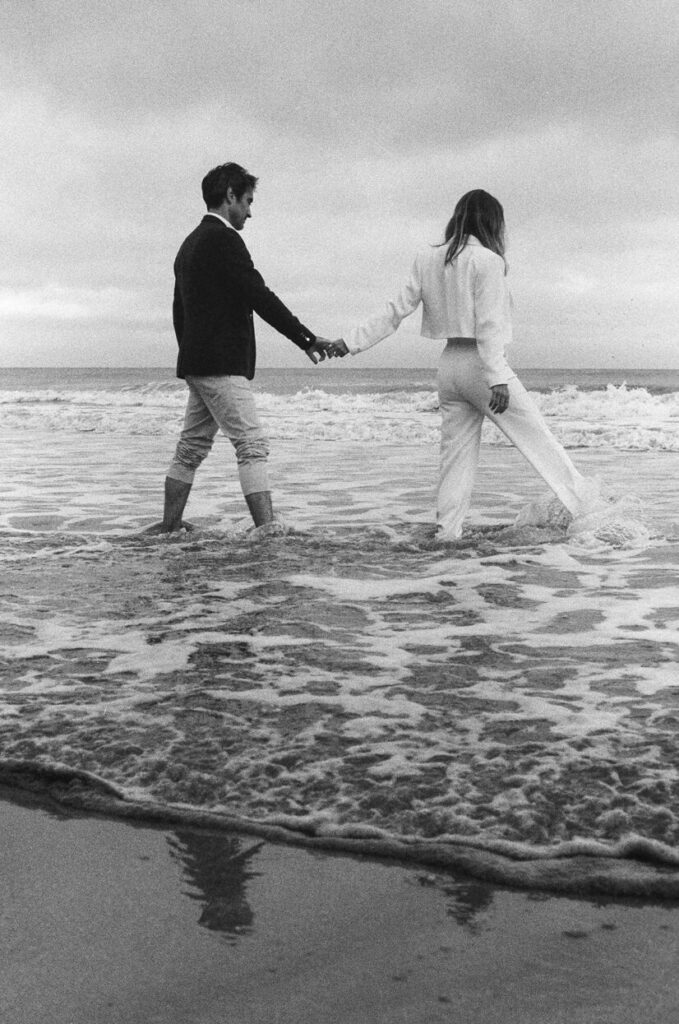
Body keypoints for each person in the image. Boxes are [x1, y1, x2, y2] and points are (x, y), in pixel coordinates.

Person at [330, 189, 590, 539]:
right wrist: (497, 376)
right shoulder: (488, 261)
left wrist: (350, 342)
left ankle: (447, 533)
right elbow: (489, 324)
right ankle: (589, 512)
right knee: (537, 439)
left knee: (455, 460)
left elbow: (395, 311)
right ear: (492, 223)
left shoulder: (427, 258)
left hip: (449, 367)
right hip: (482, 365)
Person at [149, 162, 335, 536]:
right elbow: (259, 296)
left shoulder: (188, 245)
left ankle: (170, 527)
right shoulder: (224, 240)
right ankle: (267, 532)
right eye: (247, 201)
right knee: (251, 445)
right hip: (221, 364)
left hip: (198, 364)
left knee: (191, 448)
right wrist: (306, 338)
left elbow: (178, 312)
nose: (250, 211)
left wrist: (191, 361)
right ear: (230, 196)